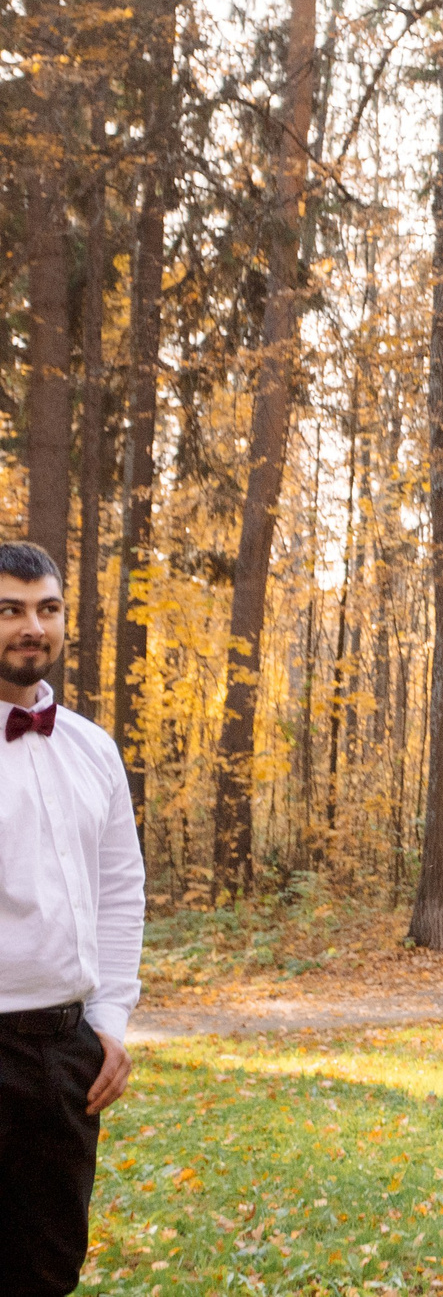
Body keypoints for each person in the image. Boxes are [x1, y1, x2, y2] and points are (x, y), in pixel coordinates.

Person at [0, 542, 142, 1297]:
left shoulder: (95, 749)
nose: (32, 625)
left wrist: (111, 1019)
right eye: (11, 609)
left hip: (66, 1057)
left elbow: (120, 890)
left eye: (46, 608)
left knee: (49, 1267)